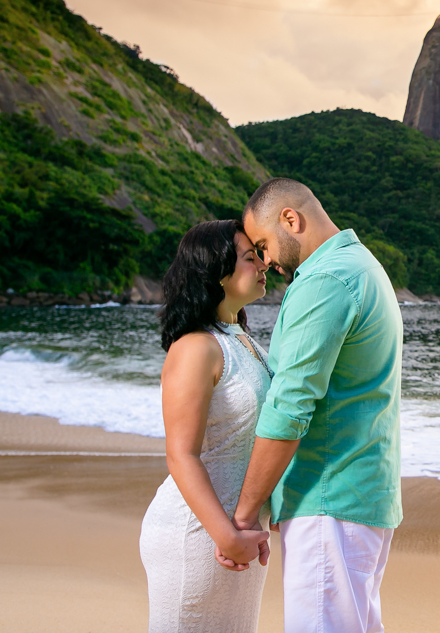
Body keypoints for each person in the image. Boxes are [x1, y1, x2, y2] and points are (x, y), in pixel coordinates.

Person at [218, 178, 403, 633]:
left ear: (291, 219)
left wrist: (244, 516)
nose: (266, 260)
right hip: (359, 492)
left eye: (262, 244)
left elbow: (289, 409)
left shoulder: (325, 280)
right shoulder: (361, 265)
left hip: (329, 493)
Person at [139, 220, 273, 633]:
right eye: (250, 257)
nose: (263, 263)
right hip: (198, 534)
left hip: (242, 533)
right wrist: (226, 535)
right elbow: (181, 454)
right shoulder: (196, 347)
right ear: (216, 272)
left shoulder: (246, 341)